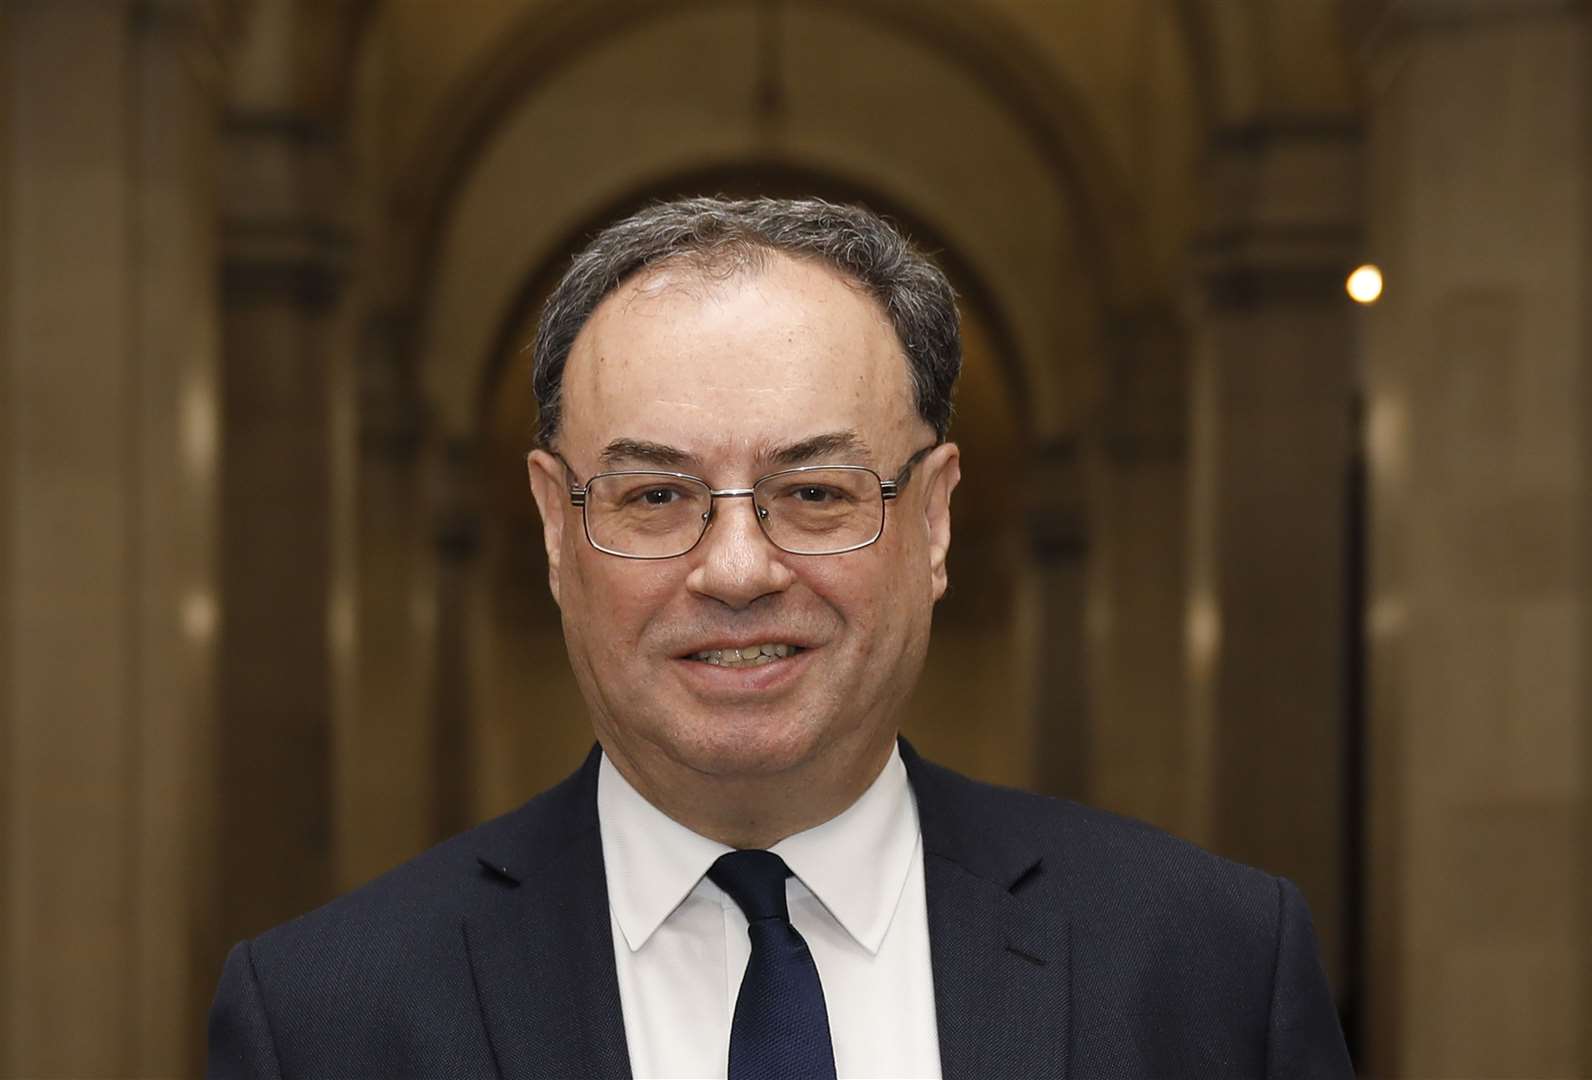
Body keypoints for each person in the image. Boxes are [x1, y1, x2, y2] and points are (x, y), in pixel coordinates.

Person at [208, 196, 1354, 1079]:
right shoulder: (323, 1019)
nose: (740, 570)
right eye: (654, 498)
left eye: (816, 492)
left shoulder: (1207, 969)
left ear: (936, 518)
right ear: (559, 527)